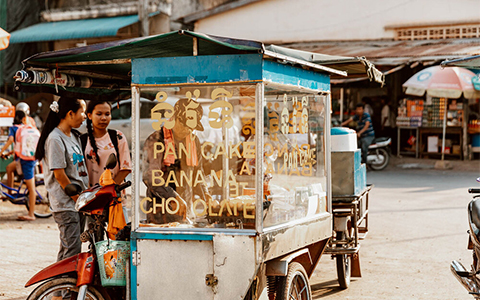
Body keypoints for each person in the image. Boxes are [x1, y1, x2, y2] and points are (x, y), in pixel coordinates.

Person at [35, 97, 88, 279]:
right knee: (72, 251)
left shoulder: (73, 136)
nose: (84, 117)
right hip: (67, 204)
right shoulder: (55, 139)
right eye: (82, 112)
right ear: (70, 114)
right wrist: (78, 200)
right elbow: (60, 175)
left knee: (68, 248)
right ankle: (66, 294)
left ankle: (57, 292)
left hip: (77, 202)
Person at [142, 98, 211, 224]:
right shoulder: (157, 139)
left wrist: (206, 196)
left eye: (192, 127)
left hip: (186, 211)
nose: (189, 130)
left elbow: (197, 172)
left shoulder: (193, 141)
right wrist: (173, 197)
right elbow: (150, 176)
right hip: (160, 214)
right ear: (175, 118)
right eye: (186, 125)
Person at [81, 101, 132, 221]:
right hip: (92, 201)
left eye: (107, 114)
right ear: (89, 115)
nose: (103, 118)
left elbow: (125, 168)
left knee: (119, 237)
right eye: (99, 114)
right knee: (95, 239)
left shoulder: (117, 137)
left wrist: (110, 191)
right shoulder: (83, 140)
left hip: (115, 199)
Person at [0, 110, 38, 221]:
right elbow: (20, 145)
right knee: (9, 168)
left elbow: (12, 140)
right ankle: (10, 193)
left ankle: (31, 214)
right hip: (23, 159)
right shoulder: (26, 127)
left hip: (26, 161)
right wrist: (9, 153)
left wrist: (1, 151)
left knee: (31, 188)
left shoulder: (14, 128)